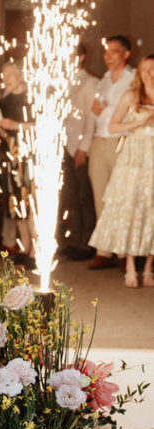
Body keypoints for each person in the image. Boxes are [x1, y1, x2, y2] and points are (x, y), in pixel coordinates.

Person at [88, 54, 154, 288]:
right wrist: (138, 123)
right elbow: (113, 125)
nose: (148, 74)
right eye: (144, 69)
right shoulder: (131, 96)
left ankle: (148, 268)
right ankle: (130, 266)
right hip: (134, 157)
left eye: (152, 69)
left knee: (151, 209)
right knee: (131, 207)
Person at [87, 35, 136, 269]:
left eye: (113, 52)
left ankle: (126, 252)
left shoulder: (135, 79)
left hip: (122, 140)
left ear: (126, 54)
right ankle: (104, 250)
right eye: (106, 52)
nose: (107, 56)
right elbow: (96, 113)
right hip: (100, 140)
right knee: (101, 196)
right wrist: (95, 111)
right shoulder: (103, 81)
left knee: (122, 196)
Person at [0, 61, 34, 264]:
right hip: (12, 154)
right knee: (16, 200)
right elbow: (4, 133)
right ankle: (25, 246)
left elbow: (43, 125)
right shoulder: (4, 100)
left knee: (31, 200)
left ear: (20, 74)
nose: (5, 78)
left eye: (9, 73)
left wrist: (16, 125)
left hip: (32, 153)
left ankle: (36, 250)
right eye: (3, 74)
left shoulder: (33, 96)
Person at [59, 42, 98, 259]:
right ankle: (73, 239)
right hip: (63, 145)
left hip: (80, 147)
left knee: (84, 195)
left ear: (82, 57)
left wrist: (83, 148)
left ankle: (87, 242)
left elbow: (92, 118)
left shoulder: (90, 82)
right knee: (69, 196)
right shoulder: (61, 81)